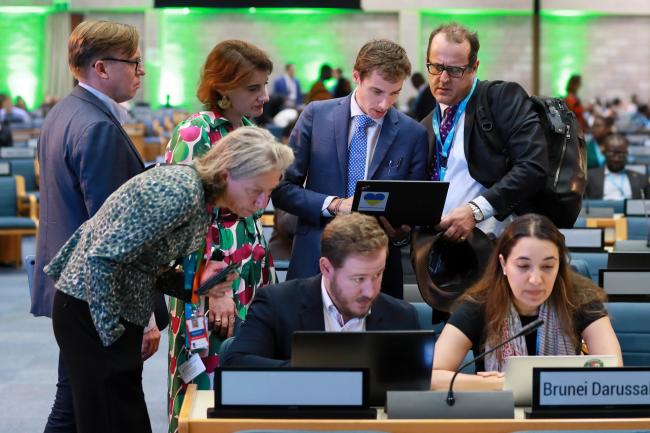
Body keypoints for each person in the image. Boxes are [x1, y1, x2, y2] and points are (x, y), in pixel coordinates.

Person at [46, 126, 294, 433]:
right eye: (257, 191)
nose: (261, 204)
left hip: (100, 307)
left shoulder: (199, 199)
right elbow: (102, 259)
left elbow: (143, 265)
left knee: (93, 416)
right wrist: (111, 338)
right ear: (228, 173)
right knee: (110, 418)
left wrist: (200, 284)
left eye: (268, 193)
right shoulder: (181, 192)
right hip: (92, 308)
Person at [30, 21, 154, 433]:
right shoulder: (97, 125)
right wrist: (146, 315)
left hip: (72, 288)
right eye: (135, 63)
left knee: (73, 402)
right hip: (98, 297)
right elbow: (113, 233)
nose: (141, 72)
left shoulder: (63, 112)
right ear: (101, 68)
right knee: (99, 406)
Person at [163, 39, 275, 433]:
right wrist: (215, 287)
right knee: (203, 382)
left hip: (249, 275)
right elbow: (184, 220)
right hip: (207, 279)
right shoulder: (195, 132)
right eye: (253, 88)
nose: (264, 95)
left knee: (242, 375)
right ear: (223, 88)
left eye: (264, 85)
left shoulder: (246, 129)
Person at [272, 39, 428, 299]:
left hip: (378, 268)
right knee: (307, 339)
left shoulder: (413, 134)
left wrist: (402, 232)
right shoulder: (316, 115)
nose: (384, 104)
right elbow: (282, 190)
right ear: (357, 76)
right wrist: (333, 204)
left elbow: (414, 209)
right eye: (376, 91)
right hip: (315, 258)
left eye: (394, 93)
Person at [430, 213, 622, 391]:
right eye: (523, 266)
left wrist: (528, 383)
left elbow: (613, 372)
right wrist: (500, 384)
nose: (536, 279)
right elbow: (431, 377)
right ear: (504, 264)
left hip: (564, 419)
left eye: (547, 266)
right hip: (500, 418)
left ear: (559, 266)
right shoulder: (479, 304)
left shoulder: (580, 298)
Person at [222, 212, 420, 367]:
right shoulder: (278, 303)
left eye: (377, 275)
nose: (370, 291)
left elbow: (414, 388)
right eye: (358, 278)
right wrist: (317, 372)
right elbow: (236, 363)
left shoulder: (402, 317)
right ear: (326, 268)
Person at [422, 23, 547, 242]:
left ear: (474, 67)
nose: (443, 78)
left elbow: (533, 166)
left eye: (454, 70)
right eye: (436, 67)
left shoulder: (500, 100)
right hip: (438, 248)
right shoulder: (425, 125)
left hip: (497, 245)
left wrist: (476, 210)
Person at [585, 133, 650, 200]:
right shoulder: (589, 177)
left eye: (621, 153)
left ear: (627, 153)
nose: (616, 158)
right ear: (603, 152)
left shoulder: (641, 179)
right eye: (612, 153)